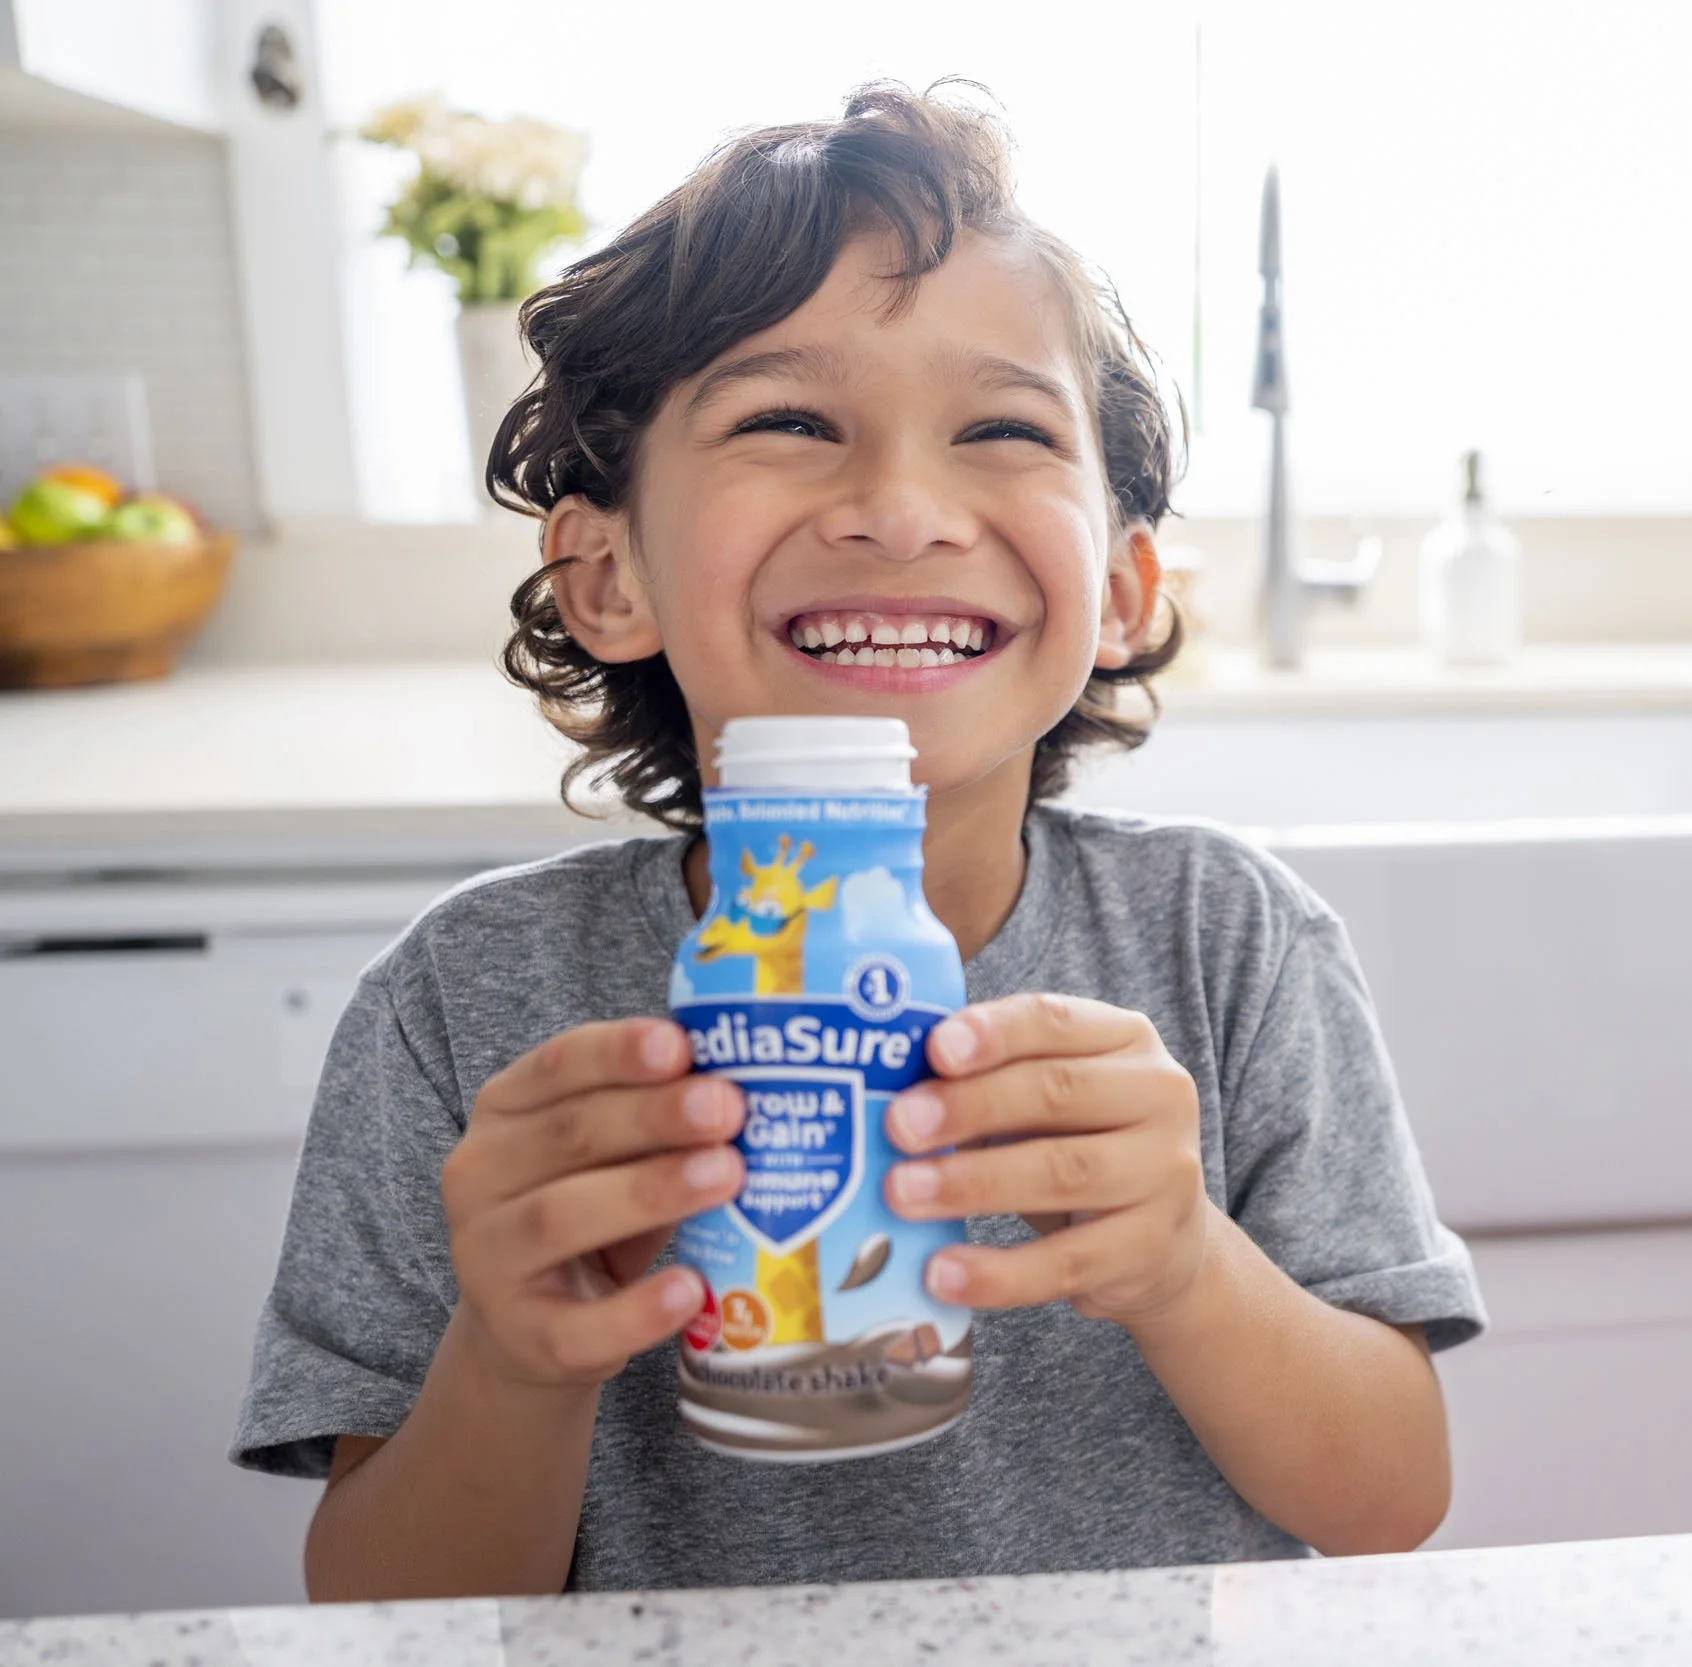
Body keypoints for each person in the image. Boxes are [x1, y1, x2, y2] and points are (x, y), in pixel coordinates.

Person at [231, 83, 1483, 1600]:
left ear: (1127, 585)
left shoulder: (1226, 944)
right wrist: (513, 1360)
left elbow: (1391, 1499)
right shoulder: (473, 998)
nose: (899, 508)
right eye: (790, 421)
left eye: (1003, 428)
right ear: (606, 571)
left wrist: (1181, 1265)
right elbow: (377, 1608)